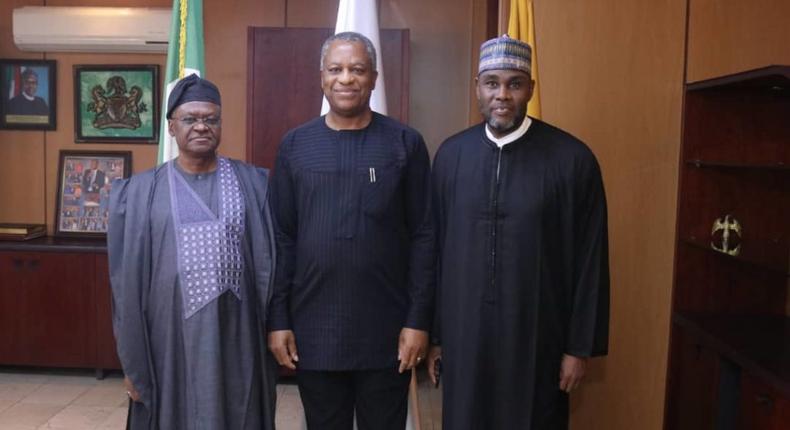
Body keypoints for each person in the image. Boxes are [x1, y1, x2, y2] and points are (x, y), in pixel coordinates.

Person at [428, 35, 610, 429]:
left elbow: (590, 261)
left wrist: (579, 348)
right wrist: (437, 337)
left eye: (514, 83)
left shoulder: (572, 160)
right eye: (492, 82)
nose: (502, 95)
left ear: (531, 88)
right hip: (466, 336)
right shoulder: (450, 157)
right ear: (477, 86)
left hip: (539, 341)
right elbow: (436, 254)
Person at [267, 31, 434, 430]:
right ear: (321, 76)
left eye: (357, 69)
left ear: (374, 77)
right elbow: (281, 238)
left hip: (387, 332)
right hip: (315, 330)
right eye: (336, 69)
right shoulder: (295, 146)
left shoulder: (405, 144)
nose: (346, 78)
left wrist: (419, 321)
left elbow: (425, 236)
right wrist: (278, 319)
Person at [107, 74, 277, 430]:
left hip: (237, 339)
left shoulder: (253, 184)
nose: (201, 126)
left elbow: (268, 265)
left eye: (210, 118)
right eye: (190, 119)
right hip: (167, 344)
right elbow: (125, 286)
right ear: (171, 128)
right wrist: (132, 363)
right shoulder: (139, 193)